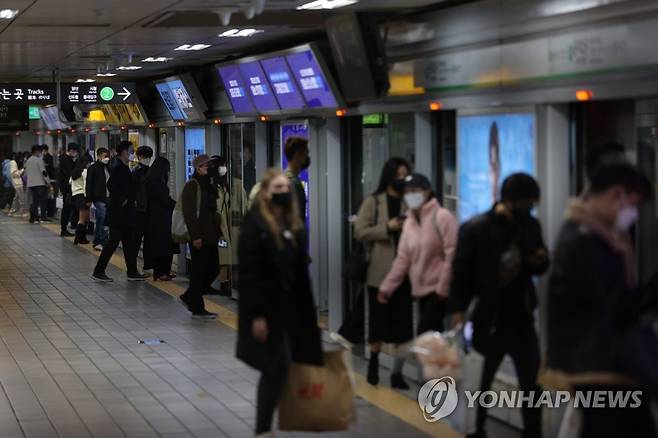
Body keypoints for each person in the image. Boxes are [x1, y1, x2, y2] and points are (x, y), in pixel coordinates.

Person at [546, 161, 656, 438]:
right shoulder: (585, 241)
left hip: (598, 364)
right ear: (617, 194)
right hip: (598, 367)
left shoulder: (593, 235)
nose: (632, 214)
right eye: (634, 204)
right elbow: (616, 305)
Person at [448, 173, 549, 438]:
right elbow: (460, 273)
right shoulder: (477, 228)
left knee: (532, 384)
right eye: (528, 201)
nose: (531, 207)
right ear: (512, 200)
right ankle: (475, 431)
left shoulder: (530, 226)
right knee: (480, 383)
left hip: (522, 319)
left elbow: (539, 260)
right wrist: (457, 311)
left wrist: (540, 260)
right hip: (487, 319)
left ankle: (533, 431)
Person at [236, 168, 323, 436]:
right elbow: (250, 274)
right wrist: (257, 316)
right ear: (264, 193)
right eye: (278, 189)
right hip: (268, 310)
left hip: (292, 310)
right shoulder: (255, 226)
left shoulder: (291, 225)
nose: (284, 194)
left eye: (287, 189)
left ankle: (274, 424)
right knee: (275, 367)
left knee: (285, 367)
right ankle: (263, 429)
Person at [334, 157, 415, 389]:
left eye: (405, 175)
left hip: (406, 272)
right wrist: (386, 228)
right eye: (398, 175)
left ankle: (397, 373)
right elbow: (360, 231)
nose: (402, 180)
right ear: (389, 176)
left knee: (403, 326)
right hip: (379, 272)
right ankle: (374, 363)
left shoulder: (410, 201)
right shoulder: (374, 201)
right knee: (378, 323)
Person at [377, 173, 458, 363]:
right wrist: (387, 286)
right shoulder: (410, 223)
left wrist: (443, 287)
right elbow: (403, 259)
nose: (410, 195)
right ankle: (440, 383)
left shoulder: (442, 217)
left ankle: (438, 384)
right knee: (432, 342)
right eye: (407, 192)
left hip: (440, 292)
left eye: (415, 191)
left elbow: (452, 254)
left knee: (425, 337)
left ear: (427, 191)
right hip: (421, 292)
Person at [92, 141, 147, 282]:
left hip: (124, 214)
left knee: (128, 243)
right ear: (123, 152)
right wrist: (123, 199)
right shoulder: (118, 168)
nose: (132, 153)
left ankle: (132, 271)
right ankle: (99, 271)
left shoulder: (123, 167)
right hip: (119, 214)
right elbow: (111, 185)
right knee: (113, 242)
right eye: (130, 150)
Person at [178, 154, 221, 320]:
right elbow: (189, 214)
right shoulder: (192, 185)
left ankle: (190, 296)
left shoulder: (209, 185)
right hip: (199, 237)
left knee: (213, 268)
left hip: (210, 236)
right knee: (199, 272)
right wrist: (195, 236)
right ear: (199, 168)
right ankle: (197, 307)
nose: (210, 168)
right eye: (207, 165)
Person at [144, 157, 176, 281]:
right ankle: (162, 272)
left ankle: (160, 272)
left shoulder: (151, 180)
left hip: (154, 217)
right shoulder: (156, 182)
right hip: (161, 218)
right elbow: (165, 200)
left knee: (159, 245)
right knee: (164, 246)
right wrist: (178, 206)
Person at [208, 156, 233, 296]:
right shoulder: (212, 187)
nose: (224, 169)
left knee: (225, 254)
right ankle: (224, 283)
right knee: (223, 255)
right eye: (221, 166)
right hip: (218, 229)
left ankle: (226, 281)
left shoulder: (224, 185)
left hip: (226, 227)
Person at [86, 148, 111, 251]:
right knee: (102, 218)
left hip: (108, 197)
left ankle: (101, 241)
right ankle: (100, 241)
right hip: (99, 198)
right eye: (105, 156)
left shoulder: (108, 168)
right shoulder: (93, 168)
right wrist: (89, 199)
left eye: (108, 156)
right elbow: (89, 184)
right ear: (99, 156)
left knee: (103, 220)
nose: (107, 158)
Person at [133, 146, 153, 268]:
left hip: (149, 210)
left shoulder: (151, 171)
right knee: (136, 240)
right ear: (139, 157)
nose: (147, 159)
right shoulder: (136, 173)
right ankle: (133, 267)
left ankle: (148, 265)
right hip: (138, 211)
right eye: (145, 157)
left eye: (149, 157)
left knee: (149, 240)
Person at [283, 136, 310, 223]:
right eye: (306, 154)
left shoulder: (283, 179)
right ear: (298, 155)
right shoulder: (294, 184)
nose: (307, 158)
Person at [25, 145, 50, 224]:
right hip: (40, 183)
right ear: (36, 151)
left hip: (31, 184)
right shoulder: (39, 160)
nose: (40, 153)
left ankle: (34, 218)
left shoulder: (28, 161)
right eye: (39, 151)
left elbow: (26, 173)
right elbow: (43, 172)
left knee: (34, 201)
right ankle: (43, 217)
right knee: (43, 201)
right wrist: (48, 181)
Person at [58, 143, 79, 237]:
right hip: (67, 188)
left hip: (67, 188)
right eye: (75, 151)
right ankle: (64, 229)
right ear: (71, 150)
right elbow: (71, 173)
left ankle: (66, 227)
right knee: (66, 209)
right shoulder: (66, 160)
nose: (76, 154)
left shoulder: (64, 159)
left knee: (69, 208)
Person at [70, 152, 90, 245]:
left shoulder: (74, 171)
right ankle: (79, 238)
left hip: (75, 195)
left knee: (82, 218)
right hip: (82, 196)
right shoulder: (84, 171)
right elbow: (86, 185)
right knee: (83, 219)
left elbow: (70, 183)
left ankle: (81, 238)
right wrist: (88, 198)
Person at [42, 145, 56, 217]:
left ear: (45, 150)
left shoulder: (48, 158)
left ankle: (50, 212)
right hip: (49, 180)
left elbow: (47, 170)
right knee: (49, 197)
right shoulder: (45, 158)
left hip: (49, 180)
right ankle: (49, 212)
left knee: (49, 197)